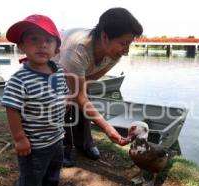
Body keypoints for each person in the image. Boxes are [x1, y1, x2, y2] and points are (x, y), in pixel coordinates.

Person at [54, 7, 143, 167]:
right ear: (104, 36)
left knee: (82, 97)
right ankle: (63, 147)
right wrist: (108, 129)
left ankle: (84, 144)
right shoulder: (77, 49)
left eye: (129, 43)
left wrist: (78, 94)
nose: (127, 50)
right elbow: (78, 95)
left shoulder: (114, 53)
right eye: (123, 43)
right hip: (57, 64)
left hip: (79, 70)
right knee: (64, 102)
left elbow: (90, 78)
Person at [2, 14, 68, 186]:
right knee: (31, 181)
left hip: (56, 138)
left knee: (52, 174)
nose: (42, 44)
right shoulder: (19, 79)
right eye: (34, 39)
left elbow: (61, 92)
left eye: (48, 40)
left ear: (56, 49)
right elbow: (12, 109)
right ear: (21, 46)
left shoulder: (59, 71)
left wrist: (64, 103)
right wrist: (19, 138)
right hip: (34, 145)